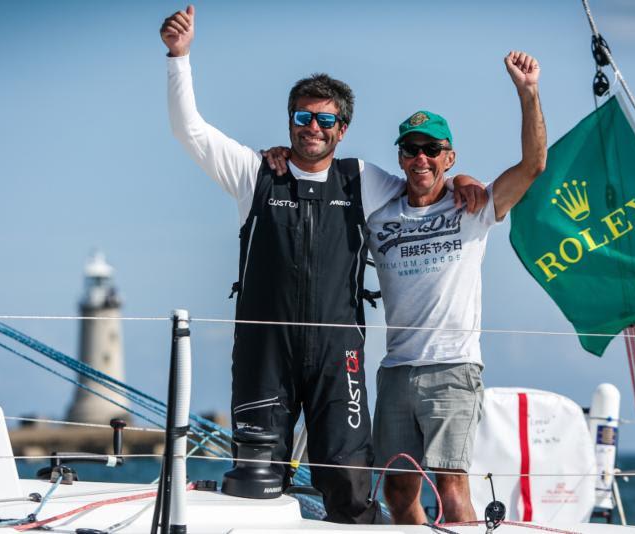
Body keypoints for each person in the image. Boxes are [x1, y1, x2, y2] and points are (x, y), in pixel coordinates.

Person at [159, 5, 486, 524]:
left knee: (351, 490)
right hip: (266, 353)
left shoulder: (363, 180)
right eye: (303, 117)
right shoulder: (254, 174)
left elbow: (424, 183)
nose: (313, 126)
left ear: (343, 128)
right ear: (289, 121)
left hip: (340, 359)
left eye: (325, 119)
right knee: (256, 483)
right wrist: (179, 58)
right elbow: (190, 131)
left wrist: (463, 177)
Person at [367, 51, 547, 524]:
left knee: (451, 484)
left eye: (432, 148)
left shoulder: (475, 205)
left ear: (450, 156)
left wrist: (528, 93)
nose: (421, 158)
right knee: (399, 488)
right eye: (411, 149)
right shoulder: (378, 212)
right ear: (401, 157)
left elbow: (532, 166)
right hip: (395, 369)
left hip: (453, 367)